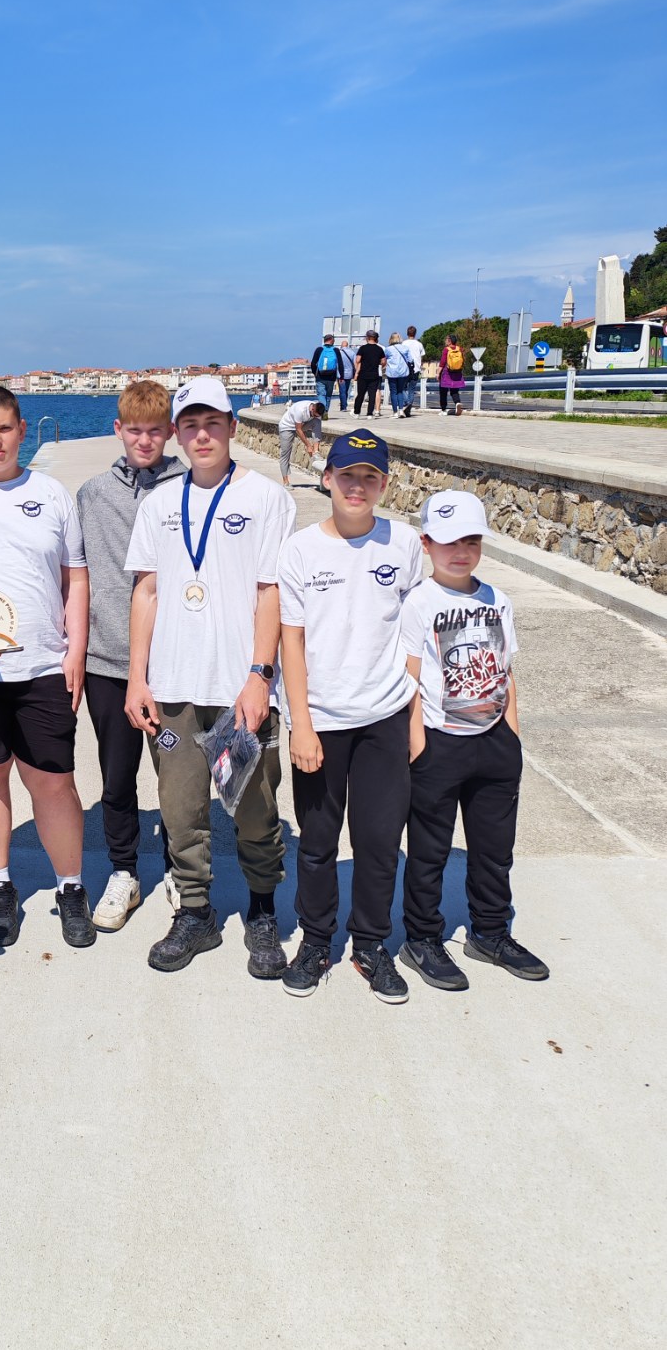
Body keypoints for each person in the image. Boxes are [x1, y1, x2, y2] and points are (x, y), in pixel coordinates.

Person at [125, 377, 296, 975]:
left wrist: (259, 675)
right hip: (173, 686)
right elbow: (146, 591)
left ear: (232, 427)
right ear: (177, 433)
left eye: (213, 423)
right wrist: (137, 677)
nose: (202, 435)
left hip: (237, 689)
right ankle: (195, 913)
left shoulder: (266, 499)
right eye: (191, 425)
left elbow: (271, 592)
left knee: (254, 808)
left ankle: (262, 911)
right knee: (180, 811)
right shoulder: (159, 504)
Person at [0, 385, 93, 950]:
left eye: (5, 428)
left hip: (44, 663)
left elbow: (76, 578)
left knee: (54, 781)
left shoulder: (51, 494)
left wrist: (75, 651)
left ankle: (70, 887)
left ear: (22, 430)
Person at [277, 429, 423, 1003]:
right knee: (317, 842)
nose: (357, 486)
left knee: (379, 841)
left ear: (384, 484)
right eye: (347, 475)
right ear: (327, 479)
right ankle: (316, 941)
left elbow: (415, 635)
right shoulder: (300, 549)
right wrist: (301, 723)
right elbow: (291, 640)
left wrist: (413, 715)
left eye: (370, 477)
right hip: (323, 719)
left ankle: (370, 943)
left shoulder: (403, 543)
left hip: (385, 715)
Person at [399, 492, 549, 990]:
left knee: (494, 850)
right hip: (440, 742)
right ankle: (422, 937)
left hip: (494, 742)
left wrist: (513, 736)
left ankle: (490, 933)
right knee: (429, 852)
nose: (460, 552)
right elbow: (410, 678)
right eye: (448, 542)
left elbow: (507, 670)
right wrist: (417, 744)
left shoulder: (497, 600)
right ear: (426, 544)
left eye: (470, 541)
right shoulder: (419, 603)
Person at [75, 379, 182, 929]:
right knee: (117, 778)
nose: (144, 441)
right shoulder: (92, 494)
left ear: (170, 432)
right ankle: (124, 871)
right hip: (108, 661)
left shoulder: (188, 489)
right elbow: (77, 575)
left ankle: (180, 868)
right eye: (135, 431)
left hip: (175, 663)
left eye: (155, 431)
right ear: (118, 429)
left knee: (177, 777)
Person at [277, 398, 326, 486]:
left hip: (300, 425)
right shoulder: (300, 410)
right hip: (287, 427)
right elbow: (298, 429)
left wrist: (313, 448)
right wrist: (308, 445)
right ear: (312, 409)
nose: (315, 417)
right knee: (285, 453)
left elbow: (313, 423)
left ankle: (316, 452)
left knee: (317, 422)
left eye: (317, 415)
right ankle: (286, 481)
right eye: (314, 415)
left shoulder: (317, 411)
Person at [354, 330, 386, 417]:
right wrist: (378, 364)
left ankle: (357, 412)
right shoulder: (379, 349)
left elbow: (358, 360)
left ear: (367, 338)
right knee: (372, 395)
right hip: (374, 374)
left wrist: (357, 370)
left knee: (361, 394)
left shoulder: (363, 348)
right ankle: (369, 414)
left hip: (363, 374)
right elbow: (383, 361)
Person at [384, 332, 413, 418]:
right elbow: (410, 360)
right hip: (403, 372)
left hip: (392, 372)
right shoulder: (405, 348)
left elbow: (384, 360)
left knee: (393, 392)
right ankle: (401, 410)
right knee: (400, 391)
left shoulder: (388, 349)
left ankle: (395, 412)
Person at [438, 335, 466, 415]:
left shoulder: (446, 349)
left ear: (449, 341)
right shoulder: (459, 349)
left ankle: (443, 410)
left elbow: (442, 363)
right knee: (454, 391)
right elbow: (463, 361)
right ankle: (457, 403)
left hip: (447, 372)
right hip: (457, 373)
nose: (445, 341)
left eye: (446, 339)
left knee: (443, 391)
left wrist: (438, 373)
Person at [312, 335, 341, 410]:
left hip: (320, 377)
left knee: (321, 395)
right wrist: (342, 377)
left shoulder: (319, 349)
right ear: (331, 340)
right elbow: (340, 364)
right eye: (334, 340)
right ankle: (325, 411)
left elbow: (313, 363)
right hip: (331, 377)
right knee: (328, 396)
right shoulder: (336, 350)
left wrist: (315, 373)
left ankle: (323, 411)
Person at [401, 325, 424, 417]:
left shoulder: (404, 343)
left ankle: (407, 403)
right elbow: (421, 357)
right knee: (411, 389)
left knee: (402, 388)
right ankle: (408, 408)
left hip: (405, 369)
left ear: (407, 333)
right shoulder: (419, 344)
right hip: (416, 369)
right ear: (415, 333)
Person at [334, 341, 355, 413]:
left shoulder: (339, 353)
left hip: (340, 374)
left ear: (341, 346)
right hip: (349, 374)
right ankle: (344, 404)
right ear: (347, 345)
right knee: (346, 390)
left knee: (342, 391)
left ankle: (343, 407)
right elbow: (355, 363)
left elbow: (335, 363)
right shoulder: (352, 353)